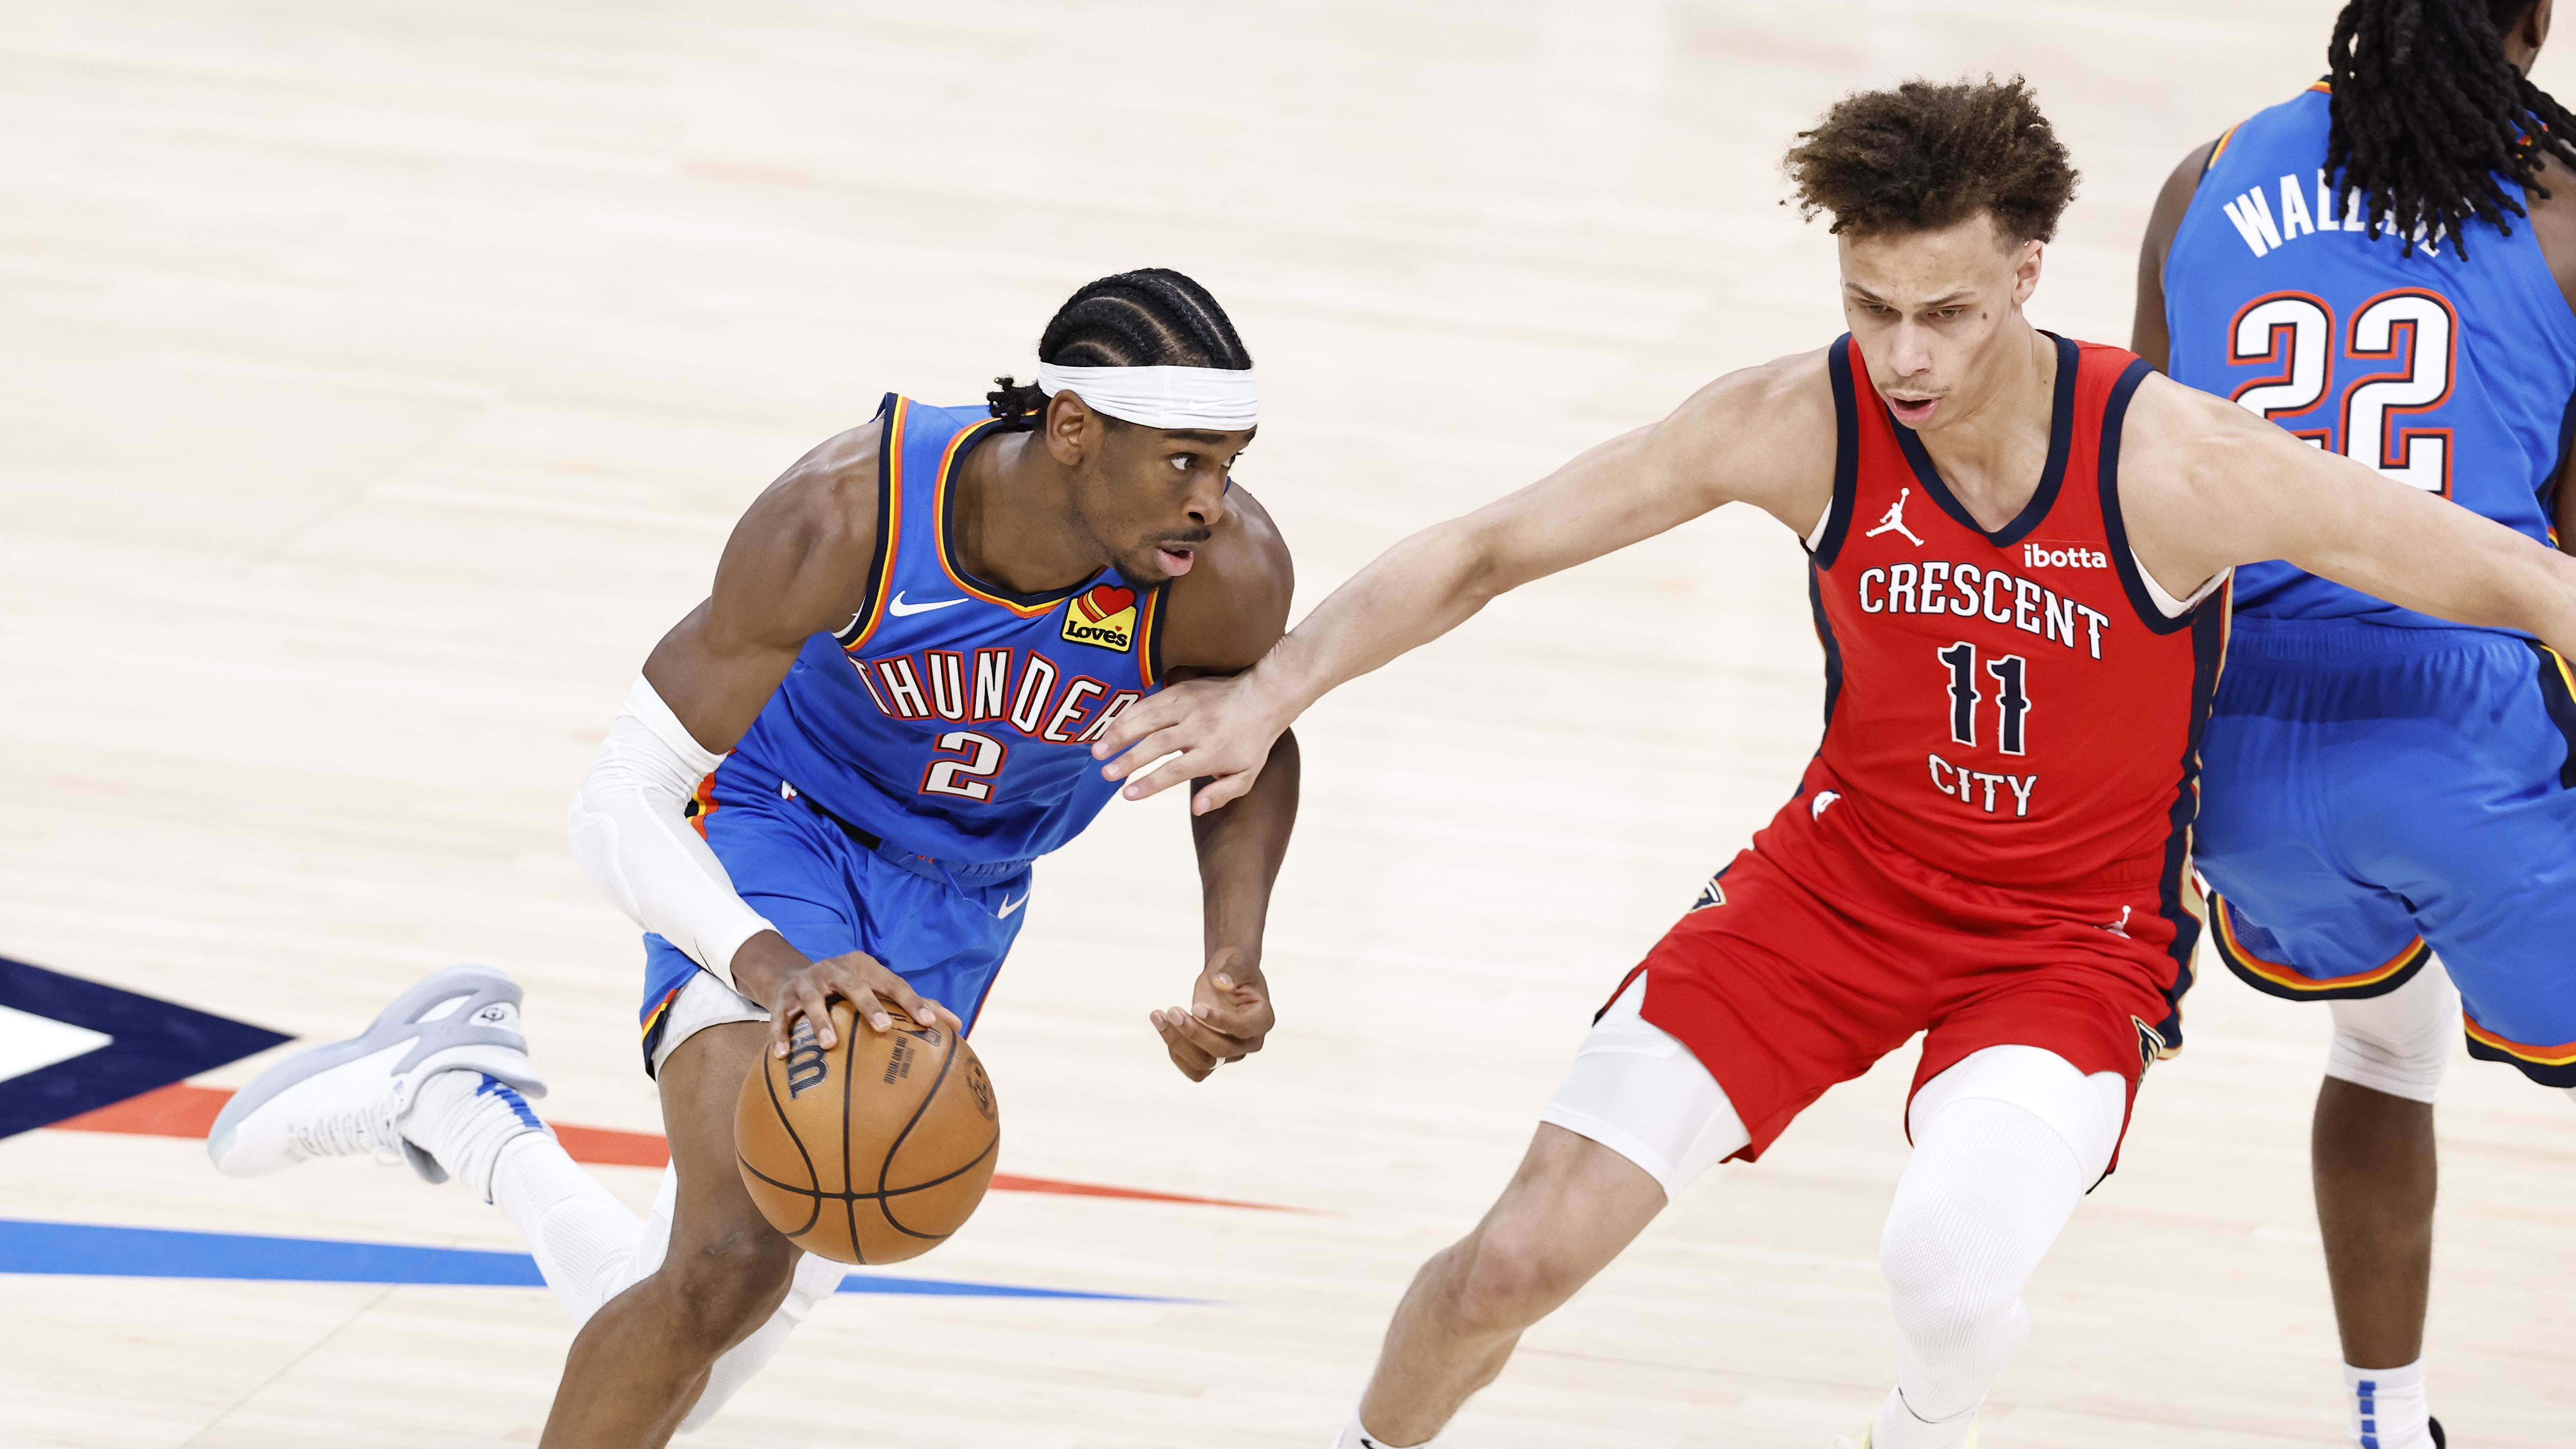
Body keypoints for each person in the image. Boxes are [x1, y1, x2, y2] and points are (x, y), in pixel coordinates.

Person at [1093, 80, 2576, 1449]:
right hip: (1835, 888)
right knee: (1506, 1263)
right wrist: (1272, 690)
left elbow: (2506, 575)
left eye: (1946, 310)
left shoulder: (2172, 461)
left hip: (2068, 943)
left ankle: (1911, 1429)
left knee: (1941, 1264)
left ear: (2025, 274)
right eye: (1871, 307)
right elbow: (1490, 545)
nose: (1907, 354)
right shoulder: (1798, 420)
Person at [205, 269, 1301, 1447]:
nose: (1211, 500)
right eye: (1184, 461)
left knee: (736, 1286)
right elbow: (619, 798)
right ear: (1074, 429)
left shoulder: (1222, 573)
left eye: (1228, 463)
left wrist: (1230, 953)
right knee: (731, 1261)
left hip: (964, 895)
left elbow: (1249, 746)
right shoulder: (847, 515)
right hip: (780, 827)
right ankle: (462, 1109)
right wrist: (774, 964)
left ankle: (458, 1107)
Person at [2134, 2, 2576, 1444]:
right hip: (2466, 733)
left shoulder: (2201, 179)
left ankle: (2386, 1422)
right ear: (2537, 23)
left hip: (2237, 749)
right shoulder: (2567, 203)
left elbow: (2135, 504)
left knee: (2386, 1050)